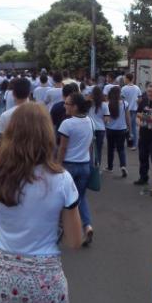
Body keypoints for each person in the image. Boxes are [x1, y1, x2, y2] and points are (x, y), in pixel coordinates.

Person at [0, 102, 82, 303]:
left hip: (2, 278)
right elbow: (75, 241)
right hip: (44, 282)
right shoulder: (61, 180)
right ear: (47, 135)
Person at [57, 92, 95, 246]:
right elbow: (90, 145)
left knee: (62, 198)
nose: (64, 106)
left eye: (67, 104)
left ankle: (60, 228)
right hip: (84, 164)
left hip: (68, 165)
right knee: (81, 197)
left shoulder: (67, 124)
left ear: (75, 107)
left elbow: (62, 148)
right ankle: (87, 226)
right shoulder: (90, 121)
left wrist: (57, 165)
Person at [135, 83, 152, 188]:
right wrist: (140, 120)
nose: (150, 93)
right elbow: (137, 113)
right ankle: (143, 177)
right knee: (142, 157)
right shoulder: (144, 101)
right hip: (143, 133)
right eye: (148, 91)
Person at [104, 86, 131, 178]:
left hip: (110, 129)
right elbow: (127, 117)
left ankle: (110, 167)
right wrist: (129, 128)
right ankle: (123, 166)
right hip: (122, 129)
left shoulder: (108, 104)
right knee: (121, 149)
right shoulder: (124, 103)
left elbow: (106, 118)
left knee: (110, 148)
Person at [88, 85, 109, 168]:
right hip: (100, 129)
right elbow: (106, 119)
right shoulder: (104, 104)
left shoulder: (89, 104)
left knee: (90, 149)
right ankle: (97, 167)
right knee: (98, 149)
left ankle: (90, 166)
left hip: (90, 128)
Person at [121, 73, 142, 150]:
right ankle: (134, 144)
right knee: (133, 127)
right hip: (134, 110)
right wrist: (136, 103)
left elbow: (122, 99)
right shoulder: (137, 88)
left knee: (124, 127)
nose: (124, 80)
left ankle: (123, 143)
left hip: (125, 110)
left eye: (124, 78)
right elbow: (140, 99)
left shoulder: (123, 88)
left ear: (127, 79)